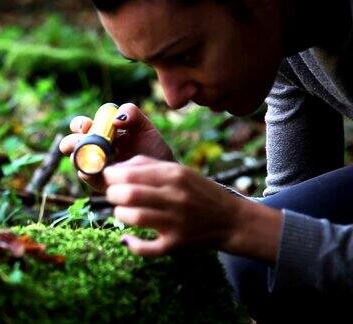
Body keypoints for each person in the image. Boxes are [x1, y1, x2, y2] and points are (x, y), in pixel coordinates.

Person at [59, 0, 353, 322]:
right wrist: (170, 187)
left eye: (185, 55)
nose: (172, 98)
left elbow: (265, 231)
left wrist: (239, 224)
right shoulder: (282, 48)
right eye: (150, 66)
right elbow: (283, 233)